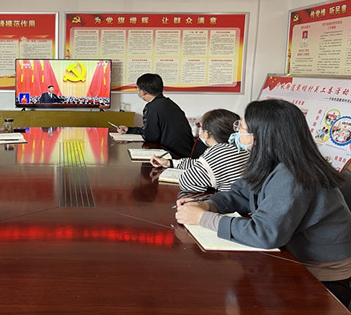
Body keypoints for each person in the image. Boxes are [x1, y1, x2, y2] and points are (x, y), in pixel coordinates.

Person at [175, 99, 351, 306]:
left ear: (260, 136)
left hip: (320, 274)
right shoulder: (268, 160)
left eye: (241, 127)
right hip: (293, 255)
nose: (237, 132)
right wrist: (208, 205)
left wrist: (204, 218)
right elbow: (241, 194)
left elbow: (265, 233)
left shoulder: (293, 173)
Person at [150, 109, 249, 192]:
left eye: (200, 127)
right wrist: (169, 163)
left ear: (206, 133)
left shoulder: (217, 152)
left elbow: (186, 182)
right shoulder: (240, 148)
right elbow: (199, 163)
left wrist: (209, 184)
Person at [117, 73, 196, 158]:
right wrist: (129, 130)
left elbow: (150, 137)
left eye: (137, 88)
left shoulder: (152, 107)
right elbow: (151, 130)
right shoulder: (168, 103)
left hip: (175, 156)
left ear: (143, 91)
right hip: (184, 153)